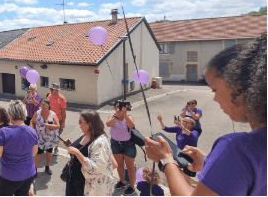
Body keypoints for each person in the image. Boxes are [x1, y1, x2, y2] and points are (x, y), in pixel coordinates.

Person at [145, 36, 267, 196]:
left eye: (215, 90)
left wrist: (166, 159)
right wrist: (211, 162)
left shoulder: (236, 148)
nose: (215, 98)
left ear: (240, 86)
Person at [0, 100, 38, 196]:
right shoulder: (32, 131)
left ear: (11, 114)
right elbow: (34, 152)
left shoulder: (4, 132)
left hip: (10, 176)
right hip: (28, 173)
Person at [65, 110, 115, 196]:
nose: (79, 124)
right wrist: (73, 146)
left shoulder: (100, 143)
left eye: (80, 122)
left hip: (87, 185)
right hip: (74, 179)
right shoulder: (85, 134)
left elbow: (96, 169)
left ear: (90, 124)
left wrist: (77, 152)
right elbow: (84, 150)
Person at [106, 100, 137, 195]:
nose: (118, 108)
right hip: (115, 143)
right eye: (117, 106)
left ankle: (131, 186)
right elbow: (108, 124)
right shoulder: (112, 116)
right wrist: (116, 116)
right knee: (119, 165)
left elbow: (131, 125)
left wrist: (125, 115)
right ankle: (122, 181)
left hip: (128, 144)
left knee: (130, 166)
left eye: (121, 107)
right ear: (114, 108)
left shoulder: (129, 117)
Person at [30, 98, 59, 175]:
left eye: (44, 105)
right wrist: (32, 130)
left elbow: (57, 126)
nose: (42, 106)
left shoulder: (53, 114)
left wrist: (49, 125)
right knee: (38, 153)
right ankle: (35, 169)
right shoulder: (37, 113)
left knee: (49, 153)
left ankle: (47, 167)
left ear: (49, 106)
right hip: (40, 138)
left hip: (50, 138)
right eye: (41, 104)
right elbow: (32, 121)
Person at [48, 83, 67, 153]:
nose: (51, 91)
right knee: (49, 133)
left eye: (52, 89)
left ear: (56, 90)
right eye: (50, 89)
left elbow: (63, 111)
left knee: (58, 134)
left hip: (59, 120)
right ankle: (49, 146)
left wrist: (63, 122)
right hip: (50, 119)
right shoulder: (49, 96)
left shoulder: (62, 98)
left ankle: (56, 148)